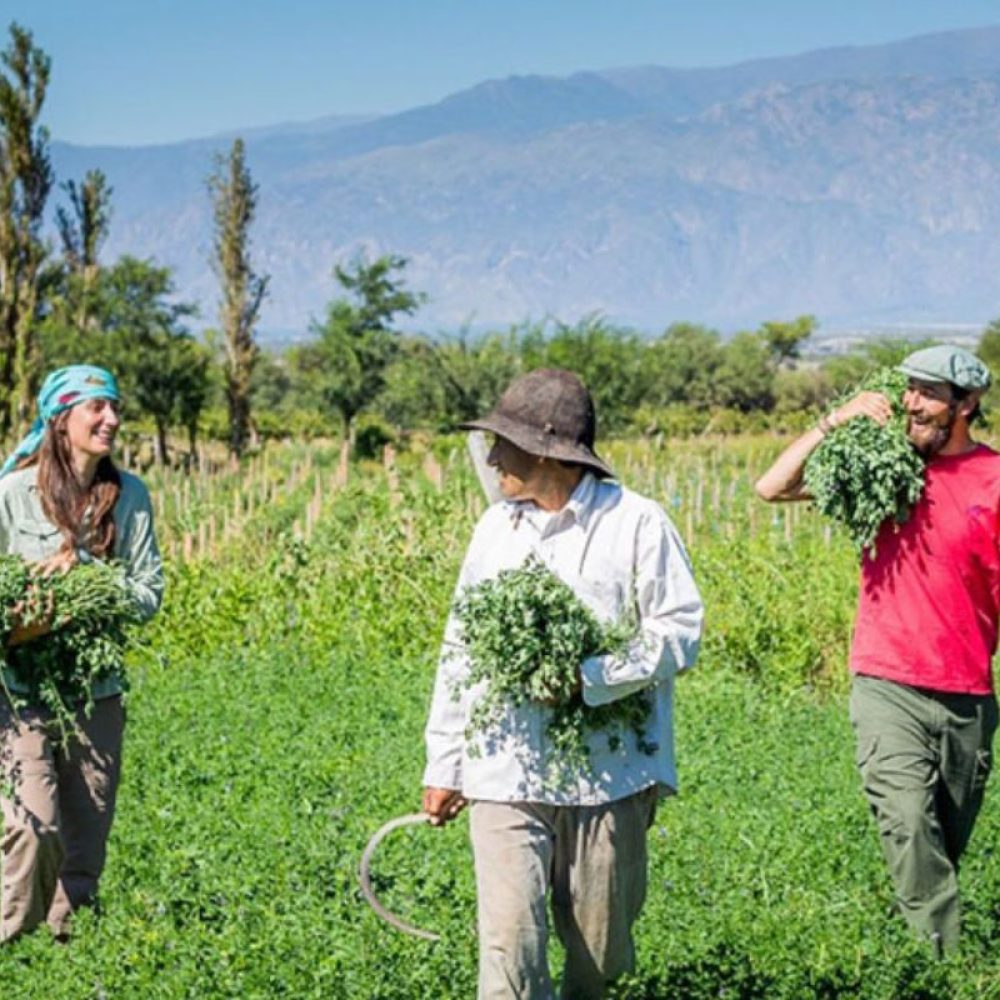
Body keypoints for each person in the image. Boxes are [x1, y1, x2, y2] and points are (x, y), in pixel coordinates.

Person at [422, 368, 703, 999]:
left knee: (597, 956)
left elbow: (680, 632)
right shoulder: (495, 530)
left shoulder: (637, 523)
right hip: (504, 767)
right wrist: (445, 763)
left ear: (549, 451)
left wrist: (589, 679)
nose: (492, 456)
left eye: (506, 442)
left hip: (608, 773)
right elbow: (459, 648)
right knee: (508, 951)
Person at [755, 345, 998, 956]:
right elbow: (771, 487)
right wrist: (832, 423)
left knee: (937, 842)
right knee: (911, 827)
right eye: (909, 388)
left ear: (965, 405)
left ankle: (903, 950)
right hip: (887, 682)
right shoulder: (882, 464)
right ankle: (943, 968)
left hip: (968, 690)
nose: (911, 401)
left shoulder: (994, 481)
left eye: (929, 392)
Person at [0, 364, 164, 943]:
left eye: (115, 407)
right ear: (61, 417)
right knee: (32, 826)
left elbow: (148, 596)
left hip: (97, 694)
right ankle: (12, 953)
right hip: (22, 693)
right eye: (98, 407)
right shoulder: (13, 495)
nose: (112, 419)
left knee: (85, 847)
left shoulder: (130, 496)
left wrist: (88, 569)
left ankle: (68, 959)